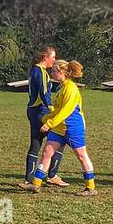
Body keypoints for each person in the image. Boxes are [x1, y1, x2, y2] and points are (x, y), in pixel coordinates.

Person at [24, 59, 97, 195]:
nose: (51, 73)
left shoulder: (71, 89)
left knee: (81, 155)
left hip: (72, 127)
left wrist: (49, 123)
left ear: (62, 72)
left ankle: (90, 187)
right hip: (59, 128)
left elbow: (66, 111)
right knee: (47, 153)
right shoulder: (61, 87)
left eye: (54, 71)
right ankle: (36, 184)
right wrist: (46, 118)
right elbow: (57, 109)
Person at [27, 46, 67, 186]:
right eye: (53, 57)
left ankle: (29, 178)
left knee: (35, 144)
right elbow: (44, 93)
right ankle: (52, 174)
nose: (54, 60)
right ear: (46, 57)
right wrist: (52, 109)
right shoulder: (42, 72)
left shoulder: (33, 70)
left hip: (32, 110)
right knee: (59, 140)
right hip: (41, 111)